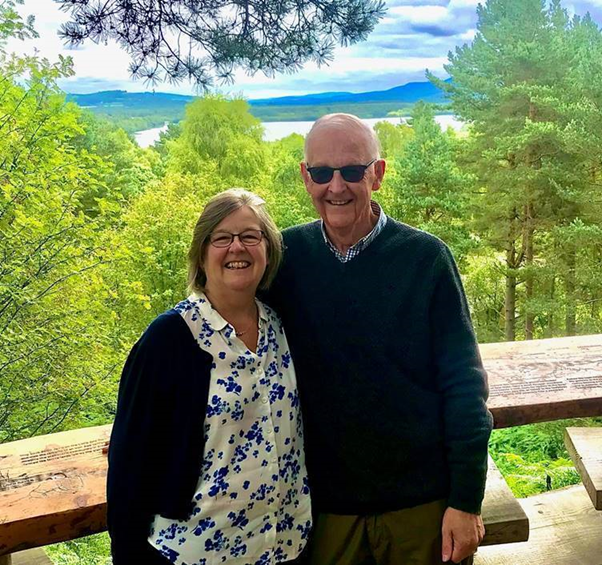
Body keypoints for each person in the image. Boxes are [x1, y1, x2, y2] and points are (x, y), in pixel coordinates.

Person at [266, 114, 493, 565]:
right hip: (323, 508)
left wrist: (466, 499)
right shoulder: (283, 260)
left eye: (352, 171)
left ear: (378, 174)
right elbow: (220, 338)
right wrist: (162, 419)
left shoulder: (426, 259)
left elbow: (465, 386)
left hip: (421, 505)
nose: (336, 187)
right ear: (304, 176)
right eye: (322, 173)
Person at [107, 189, 312, 565]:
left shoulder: (281, 326)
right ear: (201, 254)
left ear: (267, 250)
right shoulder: (168, 340)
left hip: (284, 545)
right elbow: (129, 465)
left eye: (250, 236)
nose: (237, 248)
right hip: (199, 552)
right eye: (222, 238)